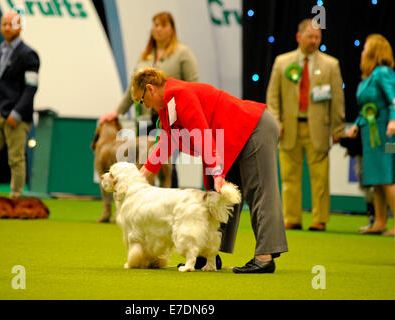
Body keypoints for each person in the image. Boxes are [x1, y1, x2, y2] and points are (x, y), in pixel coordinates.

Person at [131, 68, 288, 274]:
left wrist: (217, 173)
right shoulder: (166, 107)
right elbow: (165, 144)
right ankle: (209, 254)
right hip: (228, 140)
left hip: (253, 127)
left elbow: (202, 135)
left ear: (150, 89)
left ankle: (265, 257)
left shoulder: (180, 95)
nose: (146, 107)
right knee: (215, 196)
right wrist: (140, 178)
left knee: (260, 190)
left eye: (142, 101)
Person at [98, 12, 199, 188]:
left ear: (171, 29)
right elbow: (134, 86)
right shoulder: (145, 56)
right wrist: (117, 111)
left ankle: (170, 199)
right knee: (144, 162)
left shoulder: (182, 53)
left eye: (163, 25)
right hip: (144, 118)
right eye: (155, 25)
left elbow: (193, 85)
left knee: (167, 163)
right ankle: (145, 204)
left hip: (171, 117)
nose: (158, 29)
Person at [266, 19, 345, 231]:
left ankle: (319, 219)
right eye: (310, 37)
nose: (314, 41)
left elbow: (337, 100)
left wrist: (338, 129)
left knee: (320, 178)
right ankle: (292, 218)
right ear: (299, 37)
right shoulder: (282, 62)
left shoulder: (331, 65)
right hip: (288, 128)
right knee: (289, 177)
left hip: (318, 129)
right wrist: (276, 123)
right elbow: (272, 98)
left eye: (317, 37)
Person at [0, 11, 40, 199]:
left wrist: (17, 113)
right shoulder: (0, 51)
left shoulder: (29, 54)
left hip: (16, 117)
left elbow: (31, 87)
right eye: (3, 24)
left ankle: (15, 199)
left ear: (19, 27)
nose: (6, 28)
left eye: (10, 24)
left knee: (16, 159)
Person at [347, 34, 395, 236]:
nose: (363, 52)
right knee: (376, 178)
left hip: (387, 134)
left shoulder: (383, 73)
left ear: (374, 51)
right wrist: (357, 124)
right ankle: (380, 222)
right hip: (369, 134)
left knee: (387, 176)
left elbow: (393, 98)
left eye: (365, 48)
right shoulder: (369, 76)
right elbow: (367, 108)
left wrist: (393, 120)